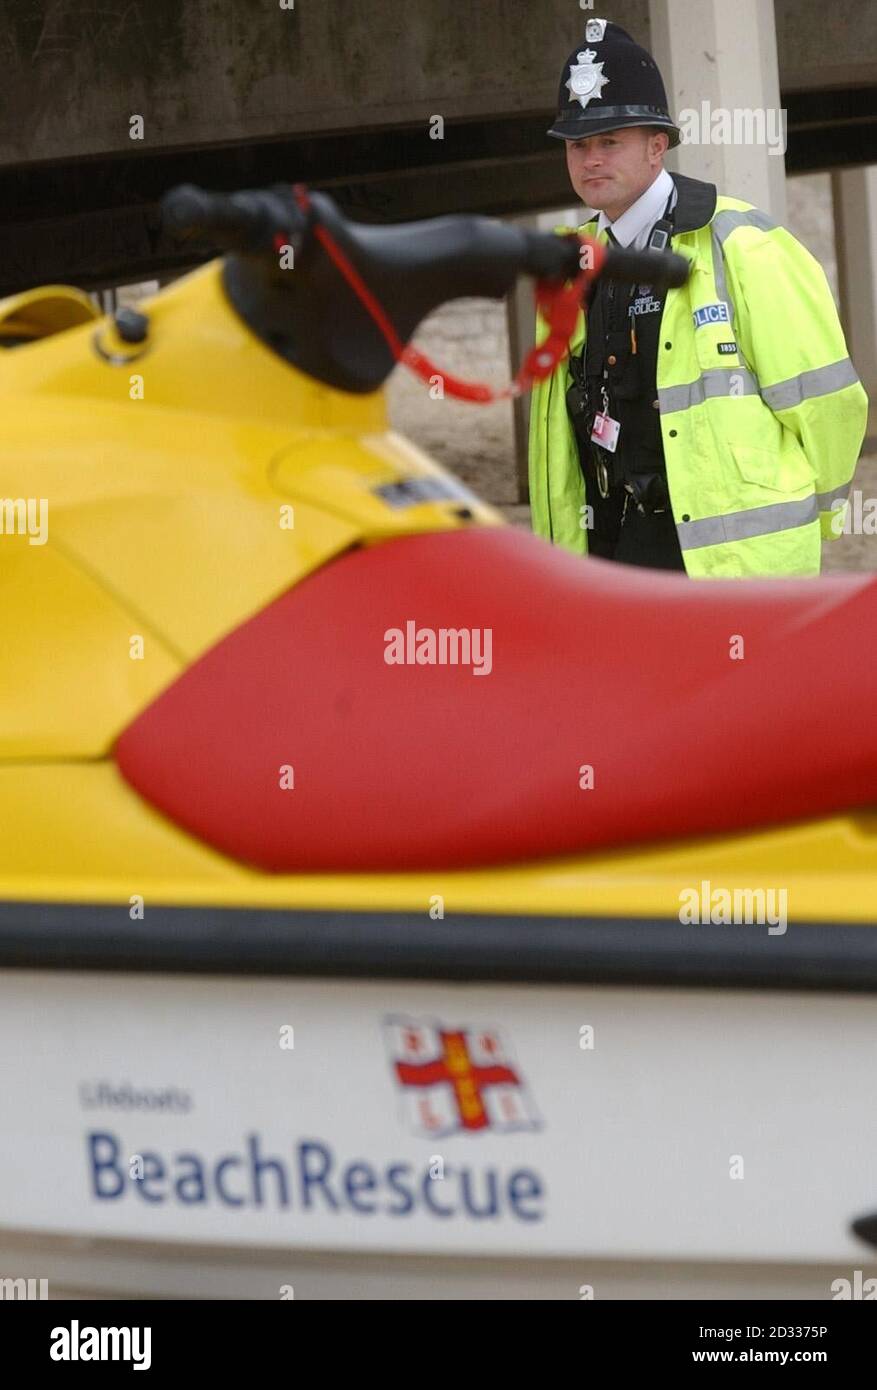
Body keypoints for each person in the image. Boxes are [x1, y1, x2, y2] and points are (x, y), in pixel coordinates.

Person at [527, 19, 868, 577]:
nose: (591, 159)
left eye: (610, 141)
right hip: (613, 555)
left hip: (734, 568)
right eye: (578, 144)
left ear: (657, 146)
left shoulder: (744, 245)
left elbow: (829, 404)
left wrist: (813, 516)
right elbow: (556, 442)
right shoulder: (570, 267)